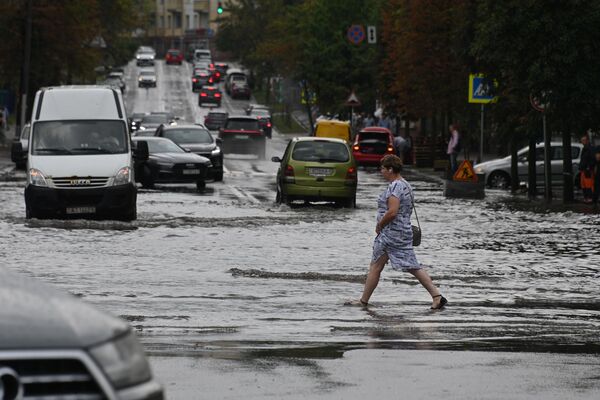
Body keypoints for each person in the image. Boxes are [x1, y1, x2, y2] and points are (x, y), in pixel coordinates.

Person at [351, 154, 447, 310]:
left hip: (391, 234)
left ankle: (363, 301)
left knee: (377, 266)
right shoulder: (406, 185)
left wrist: (379, 225)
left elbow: (392, 211)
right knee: (410, 266)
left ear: (390, 169)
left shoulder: (395, 186)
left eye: (382, 168)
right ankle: (437, 296)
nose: (381, 171)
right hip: (402, 232)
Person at [579, 134, 595, 203]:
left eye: (584, 140)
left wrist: (589, 167)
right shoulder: (584, 149)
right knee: (583, 184)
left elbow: (591, 159)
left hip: (587, 169)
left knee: (588, 184)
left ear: (587, 141)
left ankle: (590, 197)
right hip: (584, 169)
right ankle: (586, 197)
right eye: (582, 140)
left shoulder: (589, 149)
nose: (583, 141)